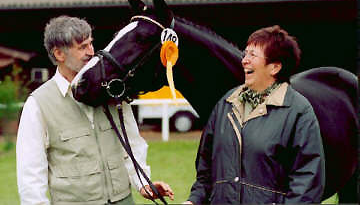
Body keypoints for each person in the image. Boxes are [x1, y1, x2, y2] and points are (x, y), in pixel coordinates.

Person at [16, 15, 174, 204]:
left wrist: (143, 183)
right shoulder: (38, 104)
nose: (91, 52)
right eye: (82, 47)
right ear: (59, 54)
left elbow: (132, 143)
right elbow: (31, 174)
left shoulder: (112, 90)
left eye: (91, 44)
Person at [185, 25, 325, 204]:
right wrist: (194, 200)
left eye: (253, 55)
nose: (244, 60)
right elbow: (206, 172)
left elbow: (307, 183)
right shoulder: (224, 105)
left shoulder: (298, 111)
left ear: (274, 68)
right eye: (246, 53)